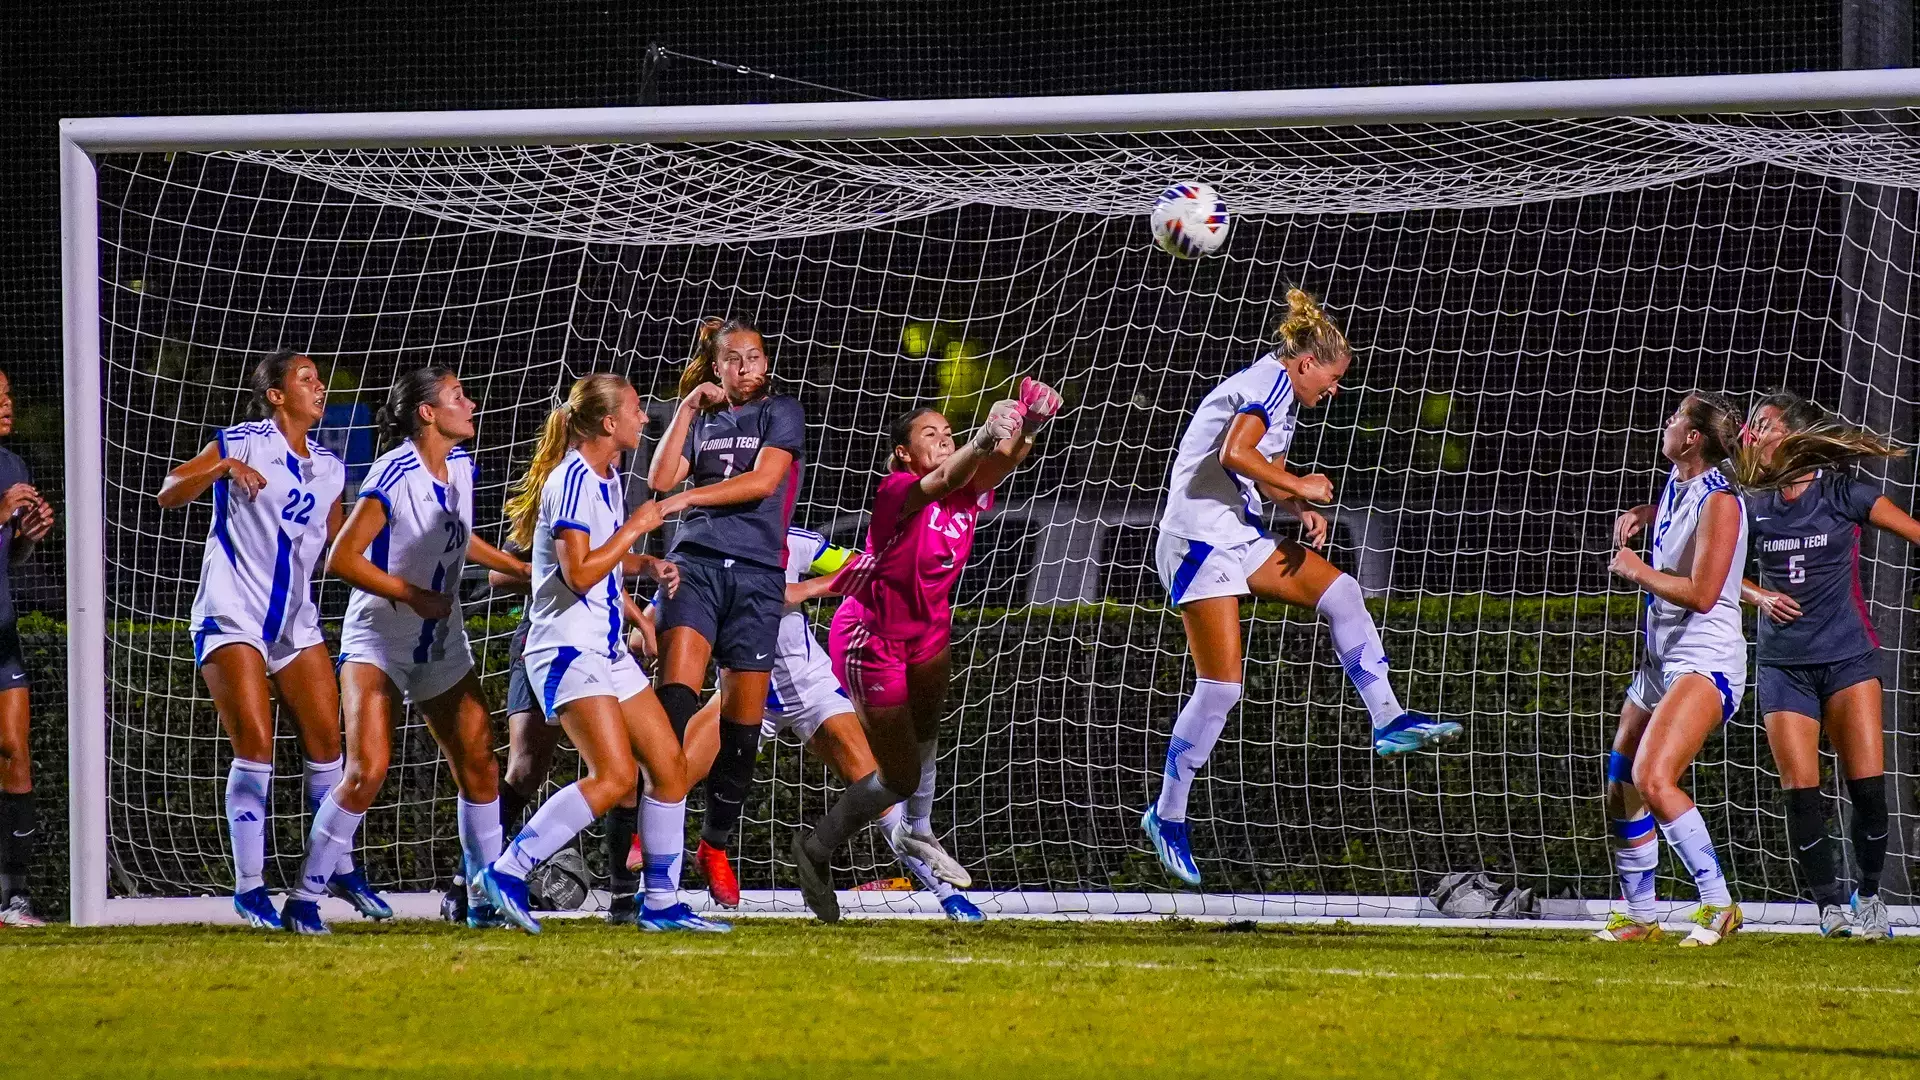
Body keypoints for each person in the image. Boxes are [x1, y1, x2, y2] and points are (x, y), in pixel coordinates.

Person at [1142, 289, 1459, 888]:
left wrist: (1294, 505)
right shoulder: (1268, 383)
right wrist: (1302, 486)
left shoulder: (1284, 399)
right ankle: (1168, 815)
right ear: (1307, 363)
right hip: (1197, 540)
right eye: (1332, 378)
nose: (1334, 390)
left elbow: (1262, 468)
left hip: (1236, 532)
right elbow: (1236, 453)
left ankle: (1388, 719)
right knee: (1220, 688)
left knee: (1342, 592)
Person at [800, 378, 1060, 922]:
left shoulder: (967, 484)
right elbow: (944, 476)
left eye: (948, 431)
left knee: (927, 737)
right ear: (903, 452)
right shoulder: (896, 490)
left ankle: (918, 830)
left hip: (929, 630)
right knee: (899, 776)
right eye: (929, 434)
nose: (943, 438)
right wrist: (985, 435)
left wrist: (1032, 422)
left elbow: (1004, 461)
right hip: (872, 637)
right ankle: (817, 847)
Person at [284, 367, 530, 933]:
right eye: (457, 396)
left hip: (441, 642)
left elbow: (460, 539)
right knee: (367, 770)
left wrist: (515, 567)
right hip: (379, 639)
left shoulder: (462, 467)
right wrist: (414, 595)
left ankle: (479, 899)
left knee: (480, 765)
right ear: (427, 413)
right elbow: (341, 559)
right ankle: (303, 898)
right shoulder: (393, 471)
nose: (471, 403)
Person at [476, 373, 723, 934]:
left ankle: (661, 903)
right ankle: (507, 871)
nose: (644, 418)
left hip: (604, 648)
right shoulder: (569, 479)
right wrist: (637, 529)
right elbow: (580, 573)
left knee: (669, 769)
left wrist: (645, 564)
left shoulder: (608, 476)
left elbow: (604, 558)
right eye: (635, 409)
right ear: (609, 423)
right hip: (566, 647)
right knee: (612, 777)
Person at [156, 348, 382, 929]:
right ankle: (250, 888)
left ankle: (336, 868)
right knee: (255, 744)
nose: (319, 386)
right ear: (276, 395)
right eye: (306, 378)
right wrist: (223, 469)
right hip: (233, 611)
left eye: (319, 379)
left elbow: (335, 552)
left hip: (295, 622)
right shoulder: (243, 441)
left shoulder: (330, 467)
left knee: (328, 748)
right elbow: (169, 490)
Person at [676, 526, 984, 922]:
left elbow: (868, 569)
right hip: (740, 693)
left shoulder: (792, 541)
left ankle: (950, 898)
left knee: (881, 791)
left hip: (813, 690)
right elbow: (674, 606)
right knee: (669, 777)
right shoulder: (701, 550)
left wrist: (804, 590)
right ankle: (655, 894)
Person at [1736, 391, 1917, 940]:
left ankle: (1869, 897)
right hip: (1783, 665)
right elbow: (1711, 566)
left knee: (1868, 790)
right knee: (1802, 793)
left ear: (1792, 434)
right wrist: (1759, 595)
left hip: (1848, 659)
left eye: (1763, 424)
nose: (1751, 433)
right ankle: (1829, 907)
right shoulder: (1750, 503)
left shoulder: (1843, 493)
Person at [646, 316, 807, 907]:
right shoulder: (703, 419)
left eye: (754, 356)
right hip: (696, 567)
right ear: (716, 367)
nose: (745, 367)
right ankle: (645, 852)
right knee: (673, 707)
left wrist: (688, 497)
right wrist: (687, 408)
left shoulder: (781, 411)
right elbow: (660, 478)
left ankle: (713, 845)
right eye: (733, 359)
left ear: (766, 362)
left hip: (758, 577)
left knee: (740, 734)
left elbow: (763, 483)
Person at [1598, 391, 1748, 947]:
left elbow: (1704, 594)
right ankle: (1641, 915)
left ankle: (1719, 905)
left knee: (1654, 779)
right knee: (1620, 784)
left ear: (1692, 439)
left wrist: (1636, 569)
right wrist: (1646, 513)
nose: (1667, 421)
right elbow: (1679, 525)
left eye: (1677, 417)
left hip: (1706, 659)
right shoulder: (1679, 483)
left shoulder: (1722, 501)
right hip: (1661, 660)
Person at [0, 370, 54, 928]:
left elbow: (10, 559)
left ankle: (14, 898)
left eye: (9, 395)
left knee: (15, 751)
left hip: (2, 632)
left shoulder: (13, 466)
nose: (7, 404)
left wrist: (26, 538)